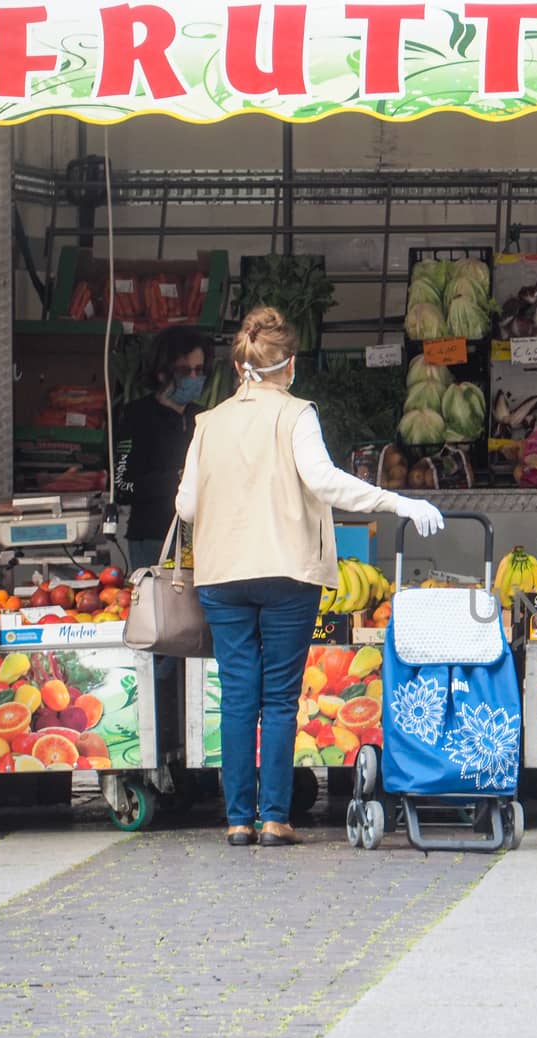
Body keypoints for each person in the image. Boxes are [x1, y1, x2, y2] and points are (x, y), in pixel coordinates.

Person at [175, 307, 444, 847]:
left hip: (222, 576)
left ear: (240, 365)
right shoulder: (297, 415)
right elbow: (327, 483)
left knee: (236, 697)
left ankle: (236, 821)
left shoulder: (208, 424)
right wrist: (398, 502)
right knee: (277, 699)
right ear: (289, 365)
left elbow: (185, 505)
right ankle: (275, 819)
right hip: (287, 574)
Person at [116, 328, 214, 570]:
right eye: (184, 371)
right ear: (161, 373)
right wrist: (180, 478)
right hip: (152, 538)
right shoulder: (136, 415)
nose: (193, 377)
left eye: (199, 370)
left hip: (201, 539)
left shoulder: (204, 418)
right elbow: (123, 485)